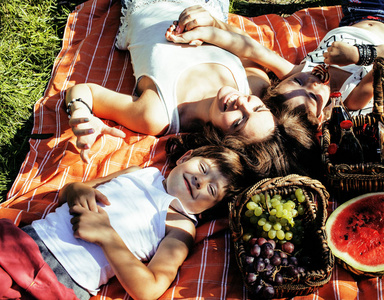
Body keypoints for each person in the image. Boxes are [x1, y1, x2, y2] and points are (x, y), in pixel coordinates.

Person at [0, 141, 257, 300]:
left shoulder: (180, 227)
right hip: (27, 240)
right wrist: (77, 189)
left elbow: (149, 289)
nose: (201, 181)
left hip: (60, 279)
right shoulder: (142, 173)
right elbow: (70, 193)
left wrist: (108, 236)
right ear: (184, 157)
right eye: (203, 169)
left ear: (208, 210)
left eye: (212, 191)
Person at [65, 0, 276, 164]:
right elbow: (245, 44)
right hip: (206, 6)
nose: (244, 104)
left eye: (239, 121)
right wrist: (214, 23)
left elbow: (86, 92)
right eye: (258, 108)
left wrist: (81, 113)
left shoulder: (156, 115)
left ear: (222, 142)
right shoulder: (255, 86)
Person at [166, 0, 384, 124]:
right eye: (311, 96)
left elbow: (250, 48)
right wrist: (359, 55)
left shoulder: (301, 71)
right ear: (321, 116)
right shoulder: (351, 98)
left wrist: (206, 30)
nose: (311, 82)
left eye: (298, 82)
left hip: (360, 13)